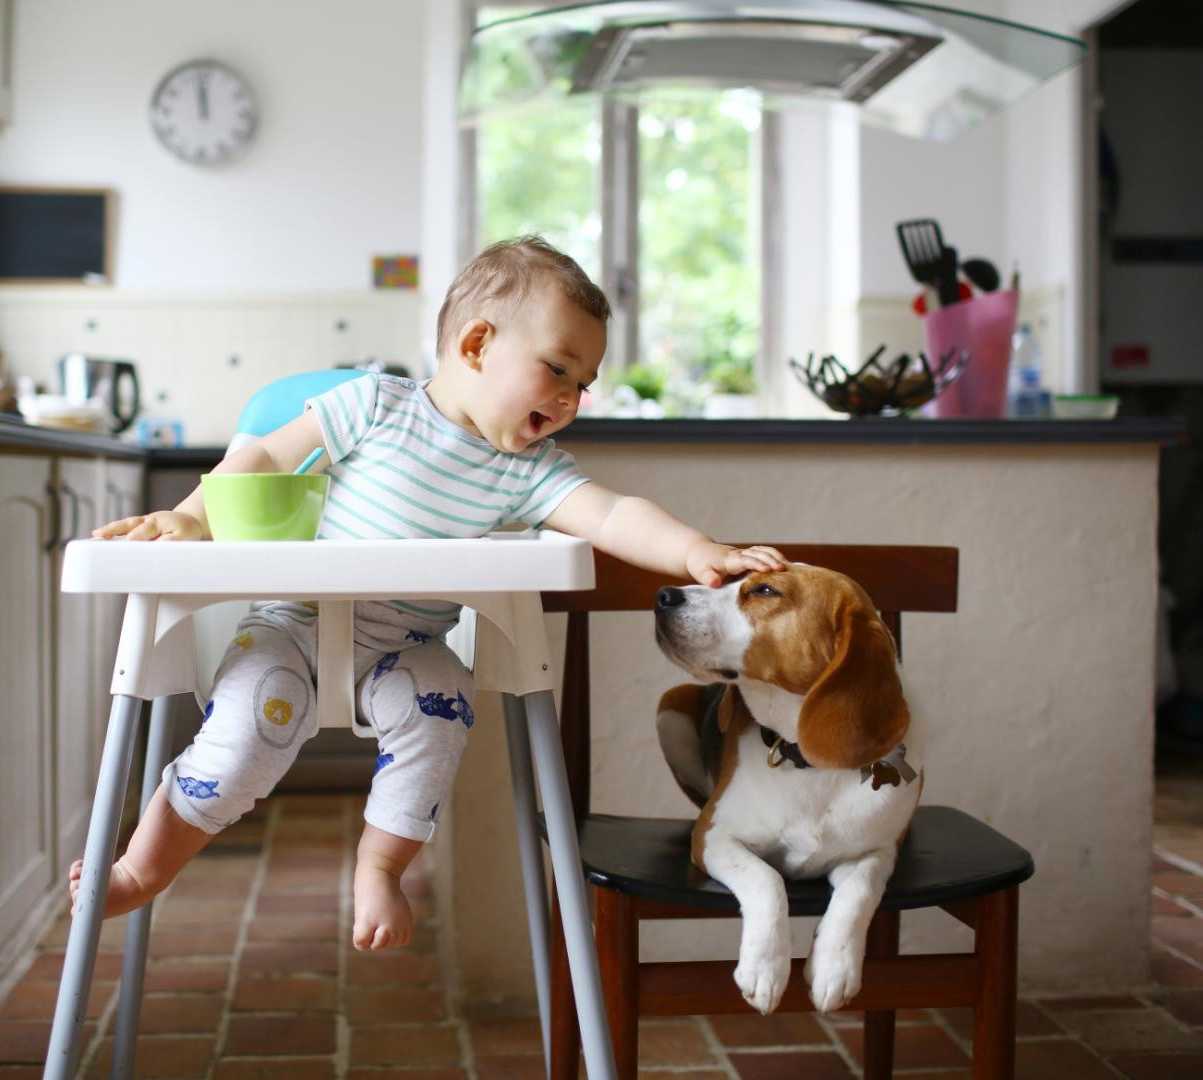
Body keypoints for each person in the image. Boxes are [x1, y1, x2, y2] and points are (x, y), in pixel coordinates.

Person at [74, 235, 785, 951]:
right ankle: (141, 869)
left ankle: (382, 864)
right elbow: (262, 458)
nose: (573, 397)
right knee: (240, 739)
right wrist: (191, 518)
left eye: (584, 381)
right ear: (477, 343)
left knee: (441, 709)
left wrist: (700, 550)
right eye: (558, 369)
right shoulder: (372, 405)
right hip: (292, 624)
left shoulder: (527, 470)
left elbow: (610, 513)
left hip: (407, 648)